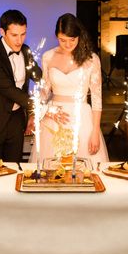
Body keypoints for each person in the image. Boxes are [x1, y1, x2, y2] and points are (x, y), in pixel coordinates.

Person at [30, 13, 109, 166]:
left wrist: (95, 132)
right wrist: (44, 111)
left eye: (72, 40)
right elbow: (44, 92)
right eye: (62, 40)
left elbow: (97, 98)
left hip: (82, 119)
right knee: (51, 169)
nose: (67, 44)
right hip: (54, 118)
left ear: (79, 36)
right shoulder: (48, 56)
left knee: (83, 169)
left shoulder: (91, 59)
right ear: (56, 36)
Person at [0, 9, 42, 162]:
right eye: (14, 35)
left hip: (16, 120)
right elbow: (9, 90)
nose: (19, 41)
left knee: (15, 166)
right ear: (2, 32)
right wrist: (40, 107)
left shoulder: (26, 51)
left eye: (23, 34)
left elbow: (39, 77)